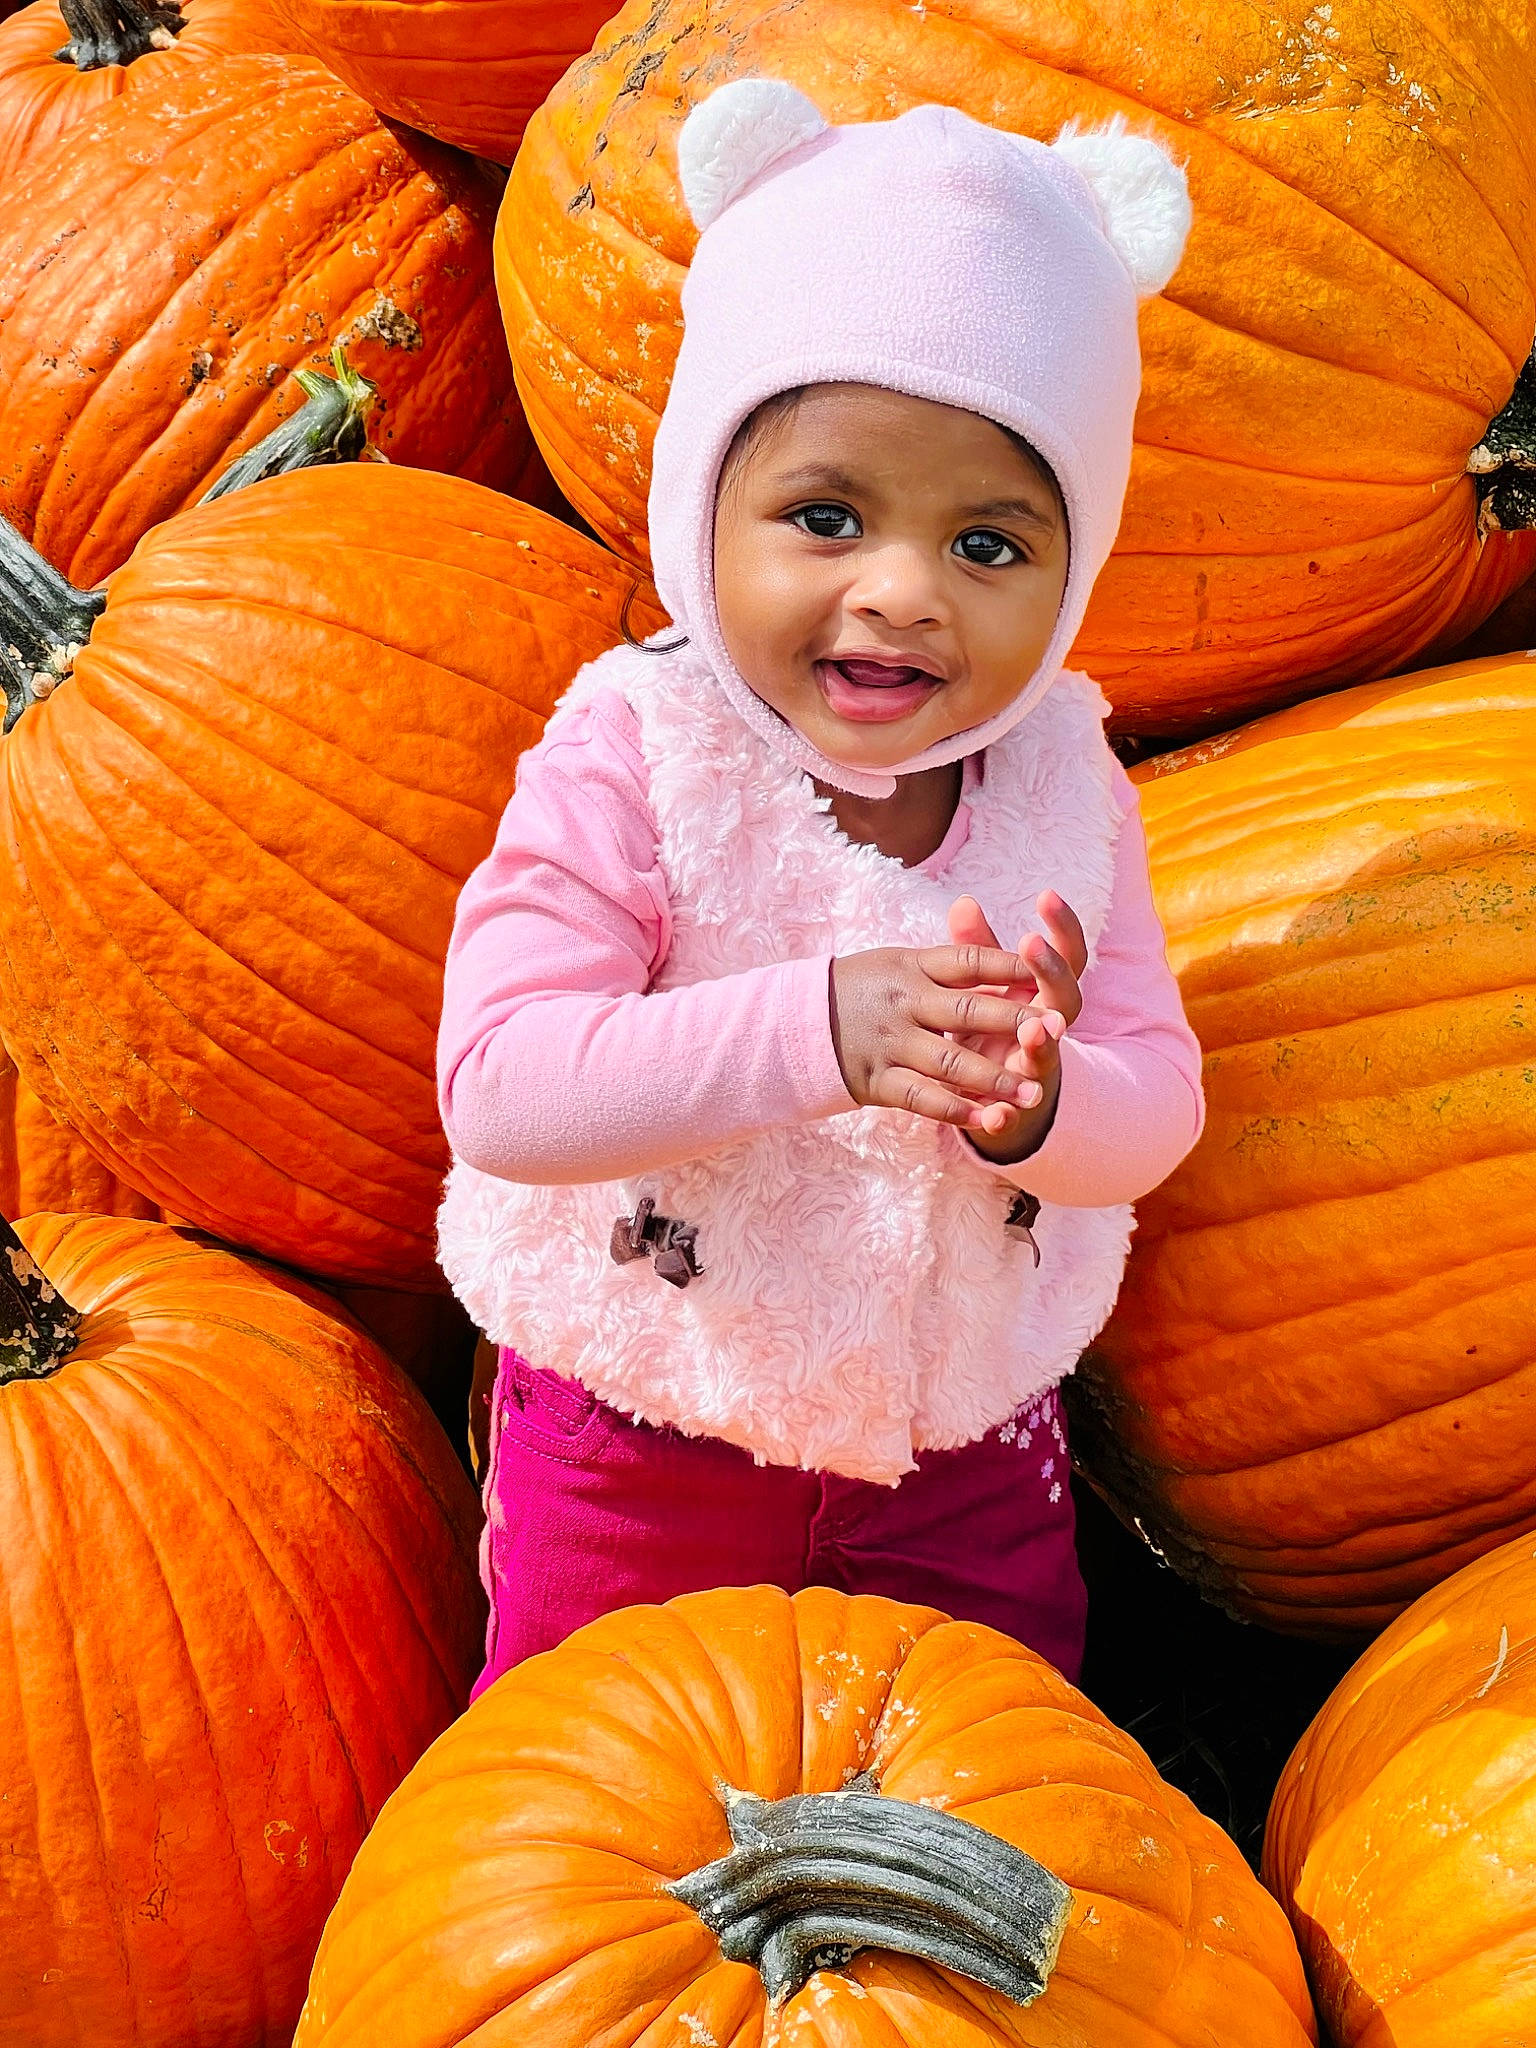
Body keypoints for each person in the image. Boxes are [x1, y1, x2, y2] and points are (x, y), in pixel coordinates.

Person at [436, 79, 1204, 1691]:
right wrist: (820, 1032)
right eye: (827, 516)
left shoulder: (1065, 784)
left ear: (1075, 568)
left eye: (989, 546)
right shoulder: (640, 753)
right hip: (649, 1425)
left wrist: (1042, 1108)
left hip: (960, 1449)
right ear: (701, 506)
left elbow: (1161, 1100)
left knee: (987, 1757)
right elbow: (502, 1086)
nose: (903, 591)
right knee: (598, 1775)